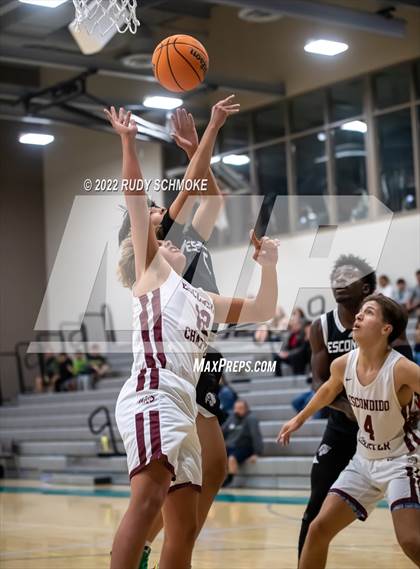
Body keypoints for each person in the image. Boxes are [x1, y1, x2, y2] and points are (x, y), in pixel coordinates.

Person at [105, 102, 278, 569]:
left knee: (205, 480)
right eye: (161, 217)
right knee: (156, 492)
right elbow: (161, 197)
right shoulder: (157, 257)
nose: (167, 209)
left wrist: (196, 145)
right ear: (152, 234)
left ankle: (165, 546)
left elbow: (208, 193)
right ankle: (143, 544)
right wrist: (199, 136)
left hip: (197, 358)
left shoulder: (187, 243)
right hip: (165, 378)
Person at [278, 294, 420, 569]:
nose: (357, 316)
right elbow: (328, 389)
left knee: (411, 541)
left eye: (367, 313)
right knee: (318, 529)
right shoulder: (343, 364)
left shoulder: (401, 368)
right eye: (359, 311)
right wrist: (298, 419)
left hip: (401, 462)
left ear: (385, 328)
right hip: (363, 461)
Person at [222, 399, 263, 487]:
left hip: (244, 447)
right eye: (236, 408)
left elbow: (256, 436)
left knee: (232, 458)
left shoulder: (251, 419)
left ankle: (229, 480)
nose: (237, 411)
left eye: (240, 408)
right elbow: (222, 431)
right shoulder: (232, 417)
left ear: (246, 409)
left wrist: (257, 453)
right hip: (230, 446)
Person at [274, 309, 307, 376]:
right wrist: (283, 352)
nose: (293, 326)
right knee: (277, 357)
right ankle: (278, 376)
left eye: (296, 324)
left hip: (299, 355)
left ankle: (298, 376)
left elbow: (302, 349)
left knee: (295, 357)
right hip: (290, 354)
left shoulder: (302, 333)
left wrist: (289, 354)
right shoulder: (291, 333)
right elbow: (286, 345)